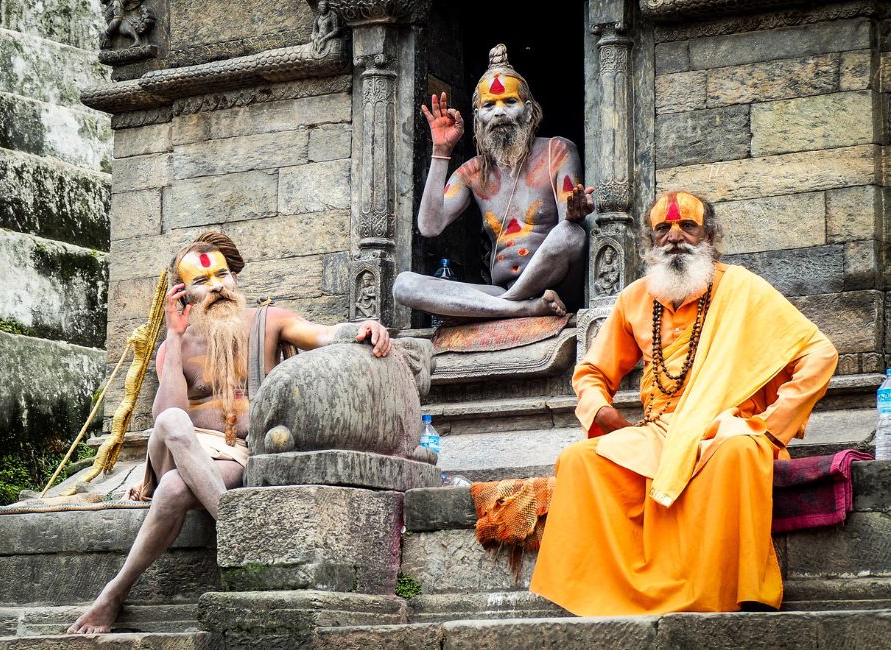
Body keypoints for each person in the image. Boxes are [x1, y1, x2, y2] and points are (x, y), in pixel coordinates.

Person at [530, 191, 838, 615]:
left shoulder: (742, 289)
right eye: (663, 229)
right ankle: (611, 594)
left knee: (739, 453)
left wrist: (770, 424)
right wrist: (600, 410)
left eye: (688, 227)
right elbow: (591, 373)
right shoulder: (635, 299)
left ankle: (723, 591)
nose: (675, 237)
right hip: (661, 430)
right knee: (580, 461)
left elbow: (819, 354)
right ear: (648, 242)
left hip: (724, 427)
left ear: (709, 235)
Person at [68, 231, 390, 634]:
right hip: (175, 442)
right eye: (203, 282)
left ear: (233, 276)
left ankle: (113, 594)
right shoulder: (176, 345)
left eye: (222, 275)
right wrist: (173, 335)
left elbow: (323, 334)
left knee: (172, 490)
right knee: (170, 421)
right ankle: (243, 530)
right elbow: (167, 414)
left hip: (233, 453)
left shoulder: (267, 321)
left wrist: (363, 328)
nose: (217, 286)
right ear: (184, 293)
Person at [393, 44, 594, 320]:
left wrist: (574, 216)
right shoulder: (472, 172)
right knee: (403, 285)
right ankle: (521, 308)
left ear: (529, 110)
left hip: (556, 287)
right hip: (497, 293)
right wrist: (440, 151)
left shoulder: (558, 151)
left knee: (571, 234)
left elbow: (568, 237)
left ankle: (498, 309)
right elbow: (429, 226)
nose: (499, 112)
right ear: (477, 118)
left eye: (509, 102)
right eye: (489, 105)